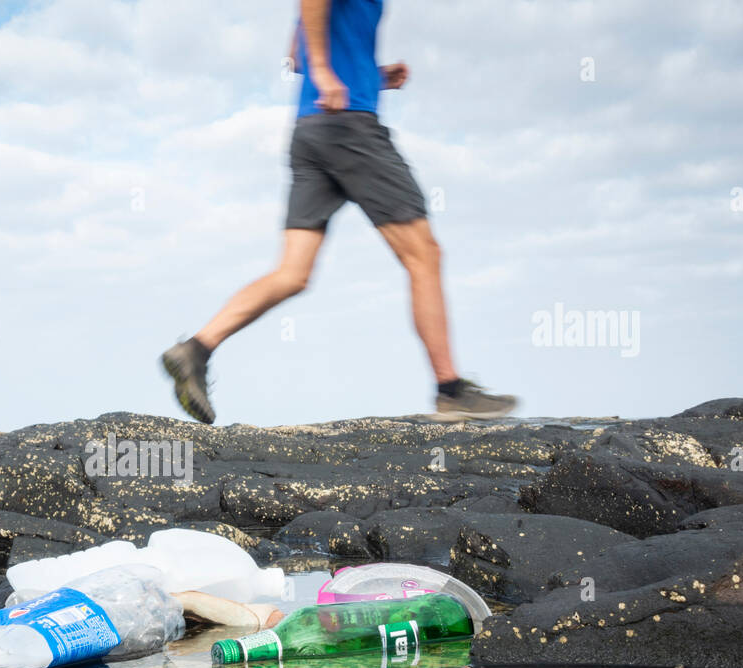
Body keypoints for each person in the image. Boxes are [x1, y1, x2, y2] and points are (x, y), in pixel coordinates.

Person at [161, 0, 517, 424]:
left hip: (310, 130)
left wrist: (372, 77)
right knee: (424, 253)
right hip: (348, 126)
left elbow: (296, 57)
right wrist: (329, 73)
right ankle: (451, 391)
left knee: (293, 273)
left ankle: (196, 349)